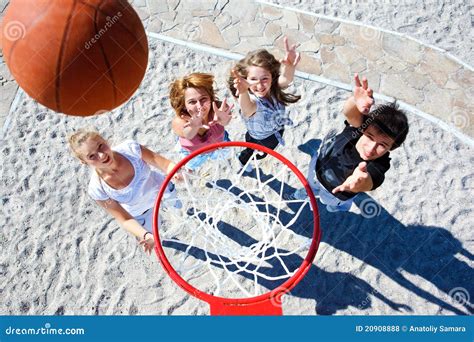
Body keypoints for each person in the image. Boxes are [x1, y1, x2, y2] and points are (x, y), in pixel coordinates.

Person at [294, 74, 409, 212]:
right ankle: (309, 191)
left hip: (337, 194)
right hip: (318, 167)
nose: (371, 147)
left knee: (329, 202)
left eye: (383, 145)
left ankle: (340, 206)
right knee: (311, 186)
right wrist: (355, 101)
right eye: (370, 137)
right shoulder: (355, 131)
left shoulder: (380, 165)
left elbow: (370, 180)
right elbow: (350, 113)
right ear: (363, 129)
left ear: (392, 148)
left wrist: (360, 183)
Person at [69, 130, 180, 255]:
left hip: (161, 188)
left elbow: (164, 164)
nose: (101, 155)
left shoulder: (130, 149)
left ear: (105, 140)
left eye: (100, 146)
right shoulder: (97, 189)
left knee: (176, 204)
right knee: (154, 235)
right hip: (141, 213)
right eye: (91, 156)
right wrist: (145, 235)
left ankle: (176, 206)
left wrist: (174, 170)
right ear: (84, 162)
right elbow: (124, 219)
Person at [228, 36, 301, 171]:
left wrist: (290, 66)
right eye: (253, 79)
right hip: (259, 138)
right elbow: (247, 108)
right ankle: (242, 160)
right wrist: (243, 91)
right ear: (246, 79)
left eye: (264, 78)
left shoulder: (273, 88)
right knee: (254, 153)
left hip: (276, 130)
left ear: (272, 77)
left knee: (267, 150)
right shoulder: (253, 102)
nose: (260, 85)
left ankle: (251, 156)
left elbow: (287, 79)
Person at [170, 72, 234, 170]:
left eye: (203, 99)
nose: (200, 106)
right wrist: (194, 126)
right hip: (194, 154)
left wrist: (224, 120)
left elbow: (224, 120)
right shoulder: (179, 121)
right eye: (192, 102)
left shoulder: (217, 108)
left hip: (219, 146)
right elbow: (188, 135)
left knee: (227, 156)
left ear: (210, 97)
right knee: (190, 168)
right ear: (183, 105)